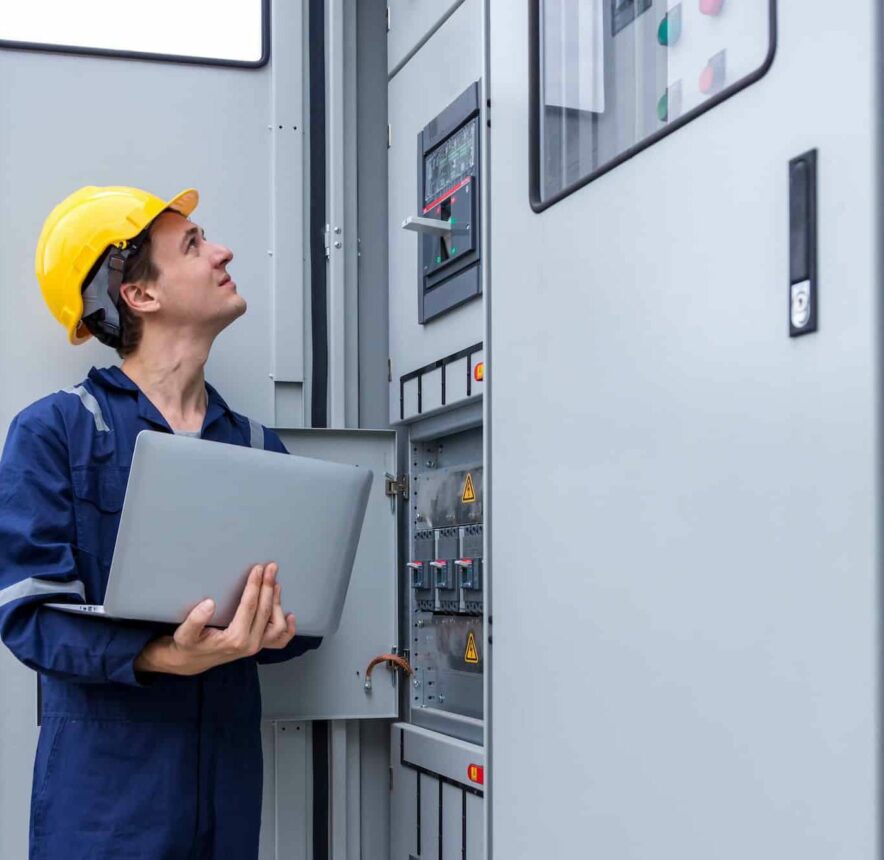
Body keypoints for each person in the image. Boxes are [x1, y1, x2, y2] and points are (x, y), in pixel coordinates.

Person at [0, 185, 321, 859]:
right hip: (104, 810)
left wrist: (274, 629)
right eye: (195, 244)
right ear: (139, 295)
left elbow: (303, 619)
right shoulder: (55, 432)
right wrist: (161, 656)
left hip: (227, 803)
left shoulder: (261, 451)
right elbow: (29, 615)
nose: (224, 251)